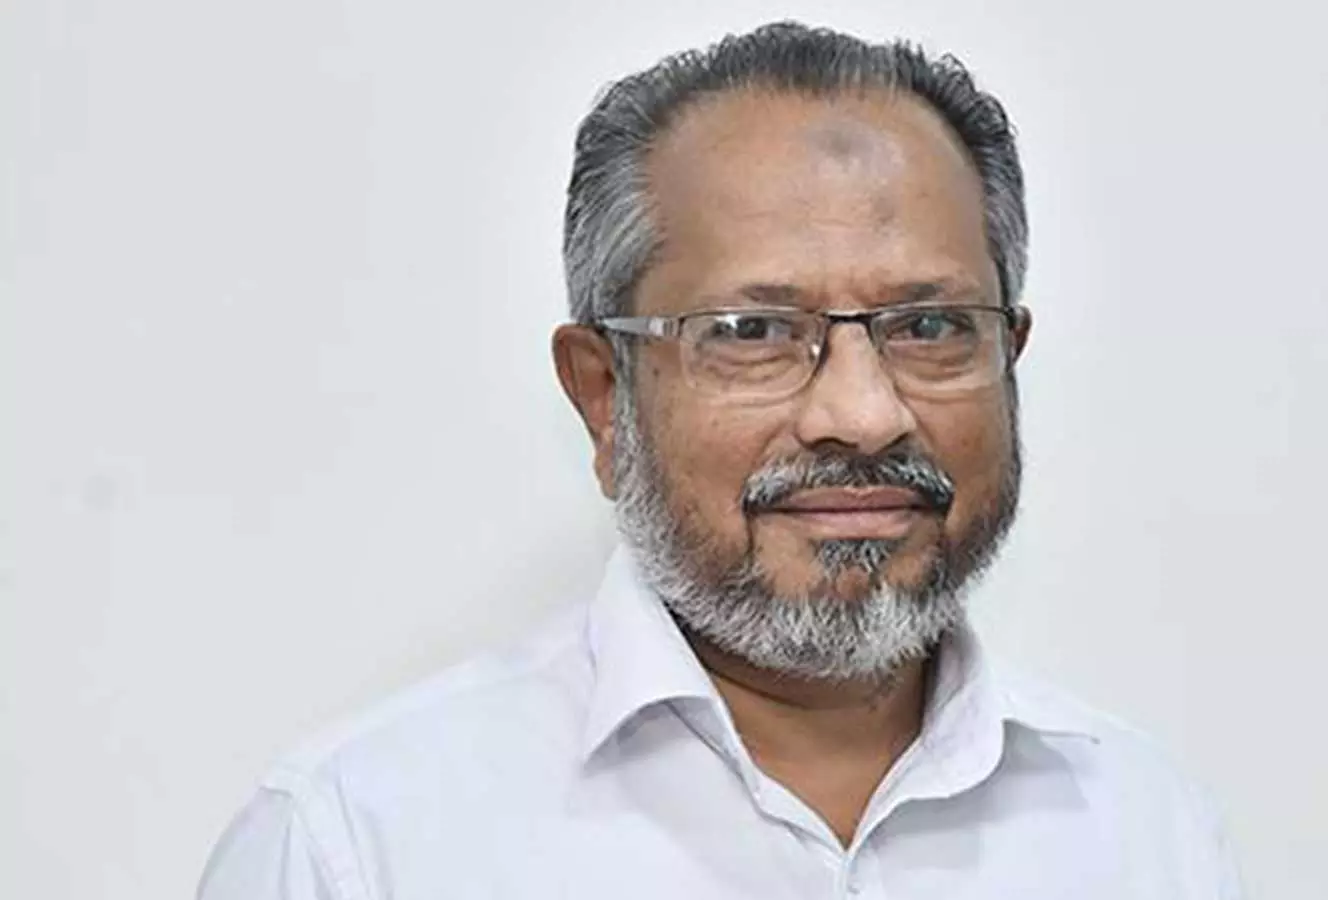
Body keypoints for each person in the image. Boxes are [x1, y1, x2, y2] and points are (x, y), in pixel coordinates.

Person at [198, 21, 1242, 899]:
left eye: (929, 327)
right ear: (604, 396)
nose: (863, 415)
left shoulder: (1141, 829)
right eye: (753, 333)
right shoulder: (360, 845)